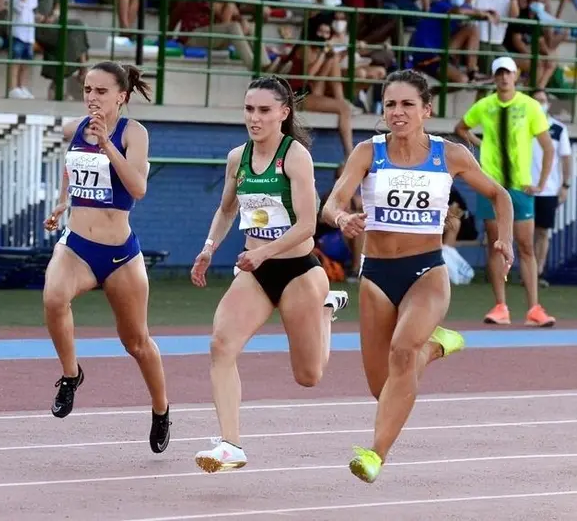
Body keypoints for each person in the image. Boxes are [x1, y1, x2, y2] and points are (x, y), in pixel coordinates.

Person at [321, 68, 515, 483]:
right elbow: (333, 200)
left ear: (426, 110)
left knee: (402, 353)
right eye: (390, 104)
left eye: (407, 104)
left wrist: (506, 241)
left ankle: (375, 454)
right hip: (375, 274)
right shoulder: (367, 152)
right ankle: (434, 347)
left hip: (426, 271)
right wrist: (341, 216)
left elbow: (499, 195)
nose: (398, 112)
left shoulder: (451, 154)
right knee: (384, 387)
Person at [189, 75, 350, 474]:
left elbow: (308, 225)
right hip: (254, 270)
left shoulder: (295, 156)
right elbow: (227, 210)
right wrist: (208, 249)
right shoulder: (236, 158)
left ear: (283, 112)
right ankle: (231, 445)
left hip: (297, 270)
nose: (254, 118)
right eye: (249, 109)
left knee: (309, 376)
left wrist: (265, 254)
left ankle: (326, 311)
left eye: (263, 110)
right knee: (220, 345)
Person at [42, 61, 171, 454]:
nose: (92, 98)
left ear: (122, 96)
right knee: (53, 298)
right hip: (77, 245)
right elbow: (71, 168)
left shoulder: (134, 133)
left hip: (120, 255)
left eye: (101, 91)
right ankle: (71, 374)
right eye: (87, 90)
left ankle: (161, 409)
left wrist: (107, 145)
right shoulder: (75, 129)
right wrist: (63, 202)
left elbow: (139, 188)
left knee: (136, 342)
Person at [455, 56, 556, 326]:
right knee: (496, 244)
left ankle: (534, 308)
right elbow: (461, 128)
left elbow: (548, 146)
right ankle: (501, 306)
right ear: (494, 77)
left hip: (520, 186)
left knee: (525, 246)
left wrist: (542, 183)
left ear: (516, 76)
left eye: (507, 73)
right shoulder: (485, 105)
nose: (503, 78)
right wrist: (483, 145)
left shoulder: (530, 106)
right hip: (490, 185)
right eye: (499, 73)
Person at [529, 88, 572, 287]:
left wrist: (565, 185)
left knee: (543, 232)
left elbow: (566, 159)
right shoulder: (522, 127)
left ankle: (537, 273)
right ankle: (526, 273)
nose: (540, 103)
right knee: (524, 233)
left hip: (548, 189)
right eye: (536, 100)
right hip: (525, 188)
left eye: (543, 100)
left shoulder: (558, 129)